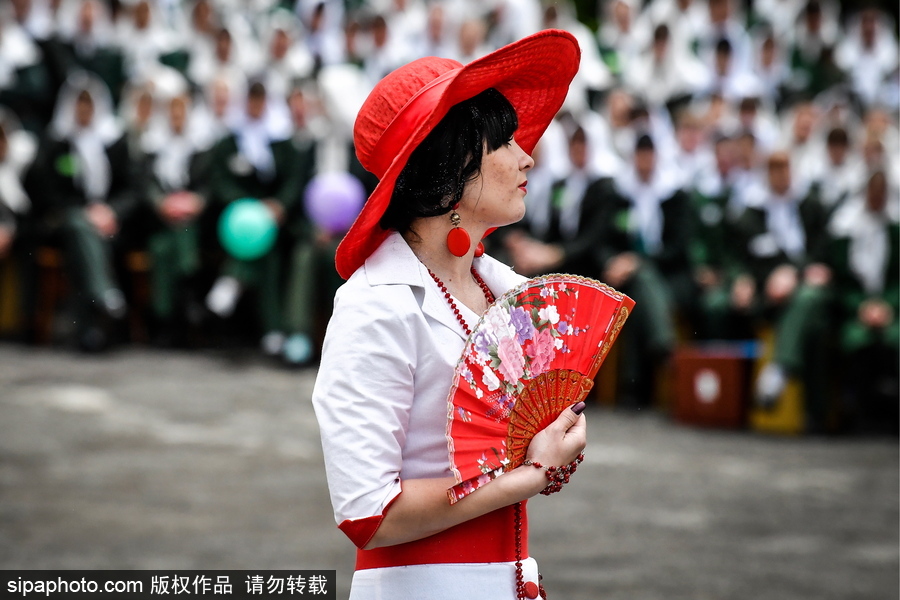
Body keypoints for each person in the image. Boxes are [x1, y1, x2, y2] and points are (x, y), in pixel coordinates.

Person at [312, 31, 585, 599]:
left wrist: (553, 446)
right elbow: (370, 514)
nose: (527, 156)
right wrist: (529, 475)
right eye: (504, 142)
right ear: (453, 164)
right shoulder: (376, 304)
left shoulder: (506, 289)